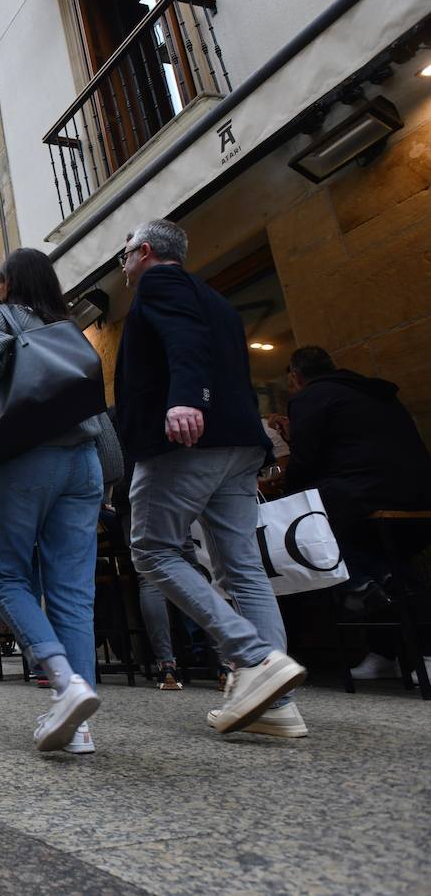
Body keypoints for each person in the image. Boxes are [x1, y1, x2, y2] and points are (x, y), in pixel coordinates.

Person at [117, 219, 306, 739]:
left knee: (152, 551)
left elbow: (186, 340)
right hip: (239, 444)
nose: (124, 263)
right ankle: (276, 704)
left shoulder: (160, 282)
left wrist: (185, 399)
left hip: (188, 443)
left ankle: (254, 658)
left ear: (145, 251)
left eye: (125, 253)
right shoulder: (216, 299)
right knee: (242, 569)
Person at [0, 248, 122, 753]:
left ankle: (63, 681)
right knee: (73, 593)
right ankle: (78, 727)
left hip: (29, 459)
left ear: (7, 283)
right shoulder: (68, 325)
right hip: (85, 465)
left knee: (5, 576)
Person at [282, 345, 431, 680]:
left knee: (301, 520)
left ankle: (363, 587)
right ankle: (385, 650)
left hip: (364, 497)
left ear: (296, 376)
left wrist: (288, 488)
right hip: (418, 494)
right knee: (386, 558)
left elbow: (305, 462)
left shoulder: (309, 398)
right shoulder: (373, 391)